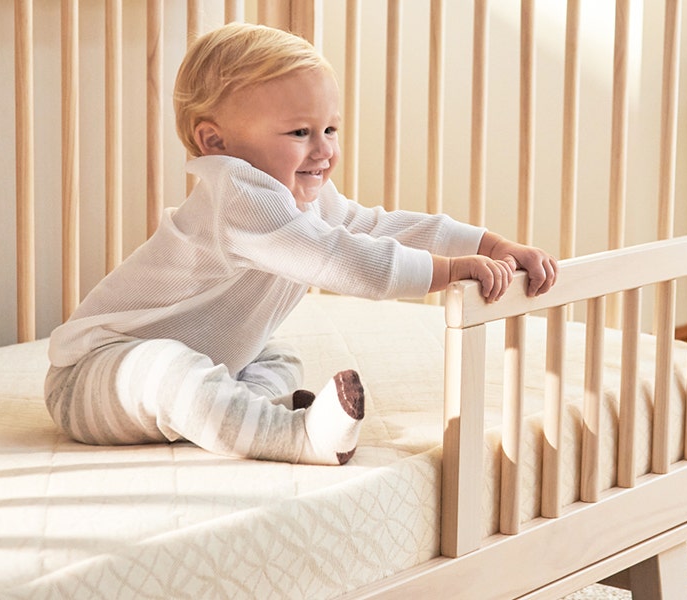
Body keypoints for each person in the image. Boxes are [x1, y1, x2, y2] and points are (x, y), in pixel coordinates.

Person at [43, 22, 558, 466]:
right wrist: (447, 271)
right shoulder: (239, 196)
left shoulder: (299, 197)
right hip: (93, 377)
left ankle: (242, 409)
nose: (325, 150)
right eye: (299, 132)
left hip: (195, 363)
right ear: (215, 142)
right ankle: (296, 436)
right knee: (171, 370)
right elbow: (341, 260)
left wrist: (490, 244)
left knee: (276, 357)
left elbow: (375, 228)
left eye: (330, 128)